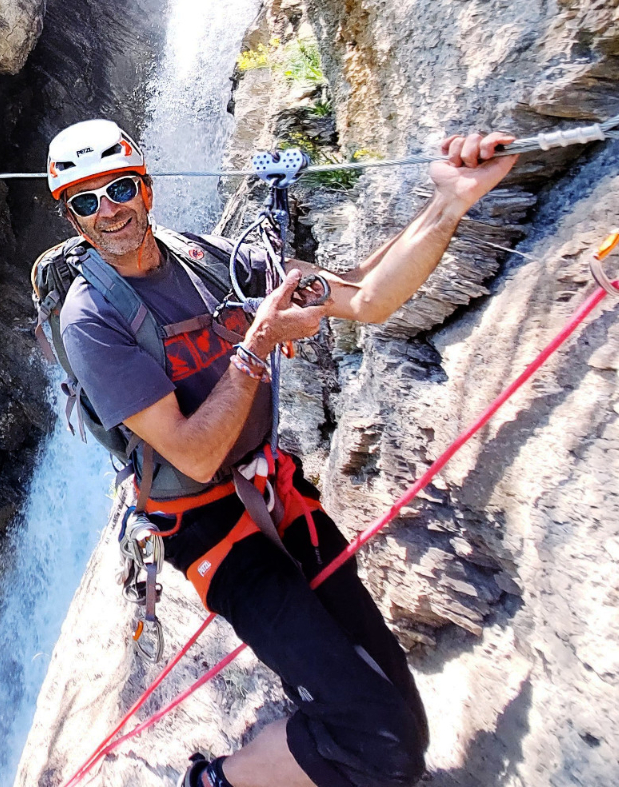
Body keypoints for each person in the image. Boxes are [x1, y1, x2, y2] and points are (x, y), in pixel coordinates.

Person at [45, 119, 518, 787]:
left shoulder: (212, 260)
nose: (108, 209)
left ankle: (306, 725)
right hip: (210, 534)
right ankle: (214, 781)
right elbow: (194, 454)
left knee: (401, 724)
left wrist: (448, 204)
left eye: (119, 186)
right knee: (379, 745)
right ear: (69, 216)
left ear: (145, 188)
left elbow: (367, 296)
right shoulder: (90, 318)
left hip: (277, 495)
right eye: (86, 201)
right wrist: (256, 344)